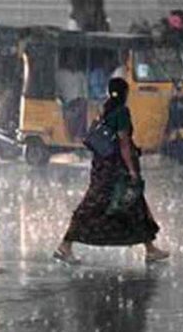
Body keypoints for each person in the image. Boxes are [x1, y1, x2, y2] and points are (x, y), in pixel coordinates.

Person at [53, 78, 170, 264]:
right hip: (116, 169)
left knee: (133, 204)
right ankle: (65, 245)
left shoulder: (104, 109)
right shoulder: (122, 112)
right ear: (125, 93)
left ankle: (150, 249)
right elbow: (123, 143)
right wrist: (132, 170)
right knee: (98, 204)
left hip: (101, 165)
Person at [55, 50, 87, 139]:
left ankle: (79, 135)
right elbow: (56, 91)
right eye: (71, 58)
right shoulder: (60, 74)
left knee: (83, 105)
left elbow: (85, 93)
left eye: (75, 59)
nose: (73, 61)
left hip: (78, 102)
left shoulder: (81, 75)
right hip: (66, 103)